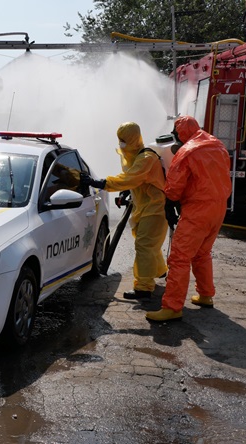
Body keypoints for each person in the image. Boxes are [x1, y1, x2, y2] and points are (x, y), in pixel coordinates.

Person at [146, 115, 232, 322]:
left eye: (177, 134)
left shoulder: (187, 151)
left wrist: (170, 202)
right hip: (218, 207)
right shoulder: (217, 145)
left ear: (181, 133)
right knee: (202, 253)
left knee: (179, 258)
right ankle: (205, 295)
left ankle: (172, 307)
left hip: (197, 210)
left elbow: (174, 186)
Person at [81, 122, 168, 299]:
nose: (120, 144)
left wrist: (101, 183)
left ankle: (143, 288)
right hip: (145, 207)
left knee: (144, 245)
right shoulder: (134, 156)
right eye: (119, 140)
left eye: (123, 140)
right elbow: (136, 181)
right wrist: (127, 192)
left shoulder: (146, 158)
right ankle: (159, 270)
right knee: (149, 244)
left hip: (156, 209)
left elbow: (130, 177)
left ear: (133, 139)